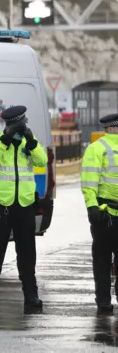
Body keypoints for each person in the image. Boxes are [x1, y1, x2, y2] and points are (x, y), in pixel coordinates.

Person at [0, 105, 46, 309]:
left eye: (22, 124)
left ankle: (31, 295)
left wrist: (32, 142)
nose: (21, 128)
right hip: (1, 205)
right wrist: (6, 139)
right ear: (8, 125)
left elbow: (41, 161)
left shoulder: (28, 143)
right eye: (17, 125)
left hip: (24, 205)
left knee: (27, 254)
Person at [81, 113, 118, 313]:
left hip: (104, 215)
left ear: (107, 128)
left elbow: (89, 182)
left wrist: (92, 207)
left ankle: (104, 301)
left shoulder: (96, 148)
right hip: (108, 214)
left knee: (102, 260)